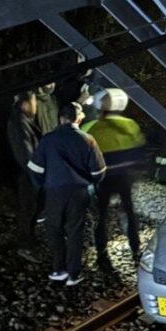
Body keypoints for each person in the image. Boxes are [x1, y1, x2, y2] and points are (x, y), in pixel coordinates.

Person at [28, 102, 106, 286]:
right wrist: (91, 184)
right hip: (78, 193)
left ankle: (58, 270)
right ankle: (73, 274)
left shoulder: (48, 139)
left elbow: (35, 169)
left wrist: (43, 186)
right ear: (79, 118)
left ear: (61, 118)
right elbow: (99, 172)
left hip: (54, 192)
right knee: (74, 232)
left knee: (53, 229)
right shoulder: (88, 140)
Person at [83, 88, 147, 263]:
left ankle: (101, 251)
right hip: (125, 177)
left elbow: (85, 156)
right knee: (129, 211)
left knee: (101, 215)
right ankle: (135, 248)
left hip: (102, 178)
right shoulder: (130, 125)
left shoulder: (90, 127)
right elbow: (140, 154)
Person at [7, 91, 42, 263]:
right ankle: (24, 245)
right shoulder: (19, 123)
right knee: (27, 209)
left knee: (30, 208)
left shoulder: (22, 121)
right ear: (25, 104)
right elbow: (25, 153)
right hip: (27, 174)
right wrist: (37, 172)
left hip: (28, 173)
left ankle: (28, 240)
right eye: (34, 102)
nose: (36, 107)